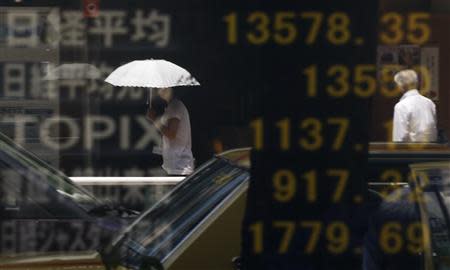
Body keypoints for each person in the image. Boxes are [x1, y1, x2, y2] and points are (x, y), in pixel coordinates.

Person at [147, 87, 194, 175]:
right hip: (174, 165)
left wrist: (154, 119)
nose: (160, 90)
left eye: (163, 88)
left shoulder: (175, 106)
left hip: (180, 167)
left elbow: (171, 134)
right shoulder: (171, 106)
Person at [392, 69, 437, 142]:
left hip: (411, 151)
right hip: (433, 149)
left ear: (400, 85)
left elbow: (400, 137)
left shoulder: (401, 106)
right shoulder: (430, 103)